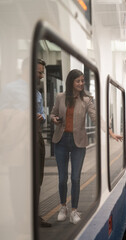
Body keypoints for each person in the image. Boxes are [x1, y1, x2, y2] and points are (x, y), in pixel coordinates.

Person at [50, 69, 96, 224]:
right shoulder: (60, 97)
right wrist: (54, 119)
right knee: (62, 178)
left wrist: (107, 129)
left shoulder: (87, 99)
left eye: (83, 80)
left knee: (75, 178)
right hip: (61, 140)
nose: (81, 83)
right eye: (78, 81)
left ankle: (74, 210)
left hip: (78, 142)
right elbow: (53, 113)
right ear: (71, 82)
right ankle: (63, 206)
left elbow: (94, 116)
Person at [36, 59, 52, 227]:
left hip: (37, 136)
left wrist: (42, 116)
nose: (41, 76)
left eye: (42, 72)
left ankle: (35, 215)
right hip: (20, 139)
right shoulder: (13, 89)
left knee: (37, 179)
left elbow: (42, 113)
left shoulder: (38, 94)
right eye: (38, 72)